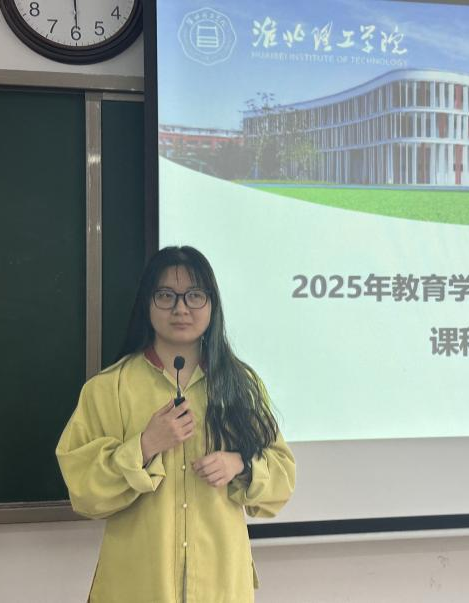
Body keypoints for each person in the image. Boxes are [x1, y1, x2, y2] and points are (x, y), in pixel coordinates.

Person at [56, 246, 295, 603]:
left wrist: (240, 465)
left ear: (212, 304)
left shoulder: (239, 385)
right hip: (136, 586)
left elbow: (282, 476)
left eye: (194, 295)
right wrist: (144, 446)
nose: (181, 308)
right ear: (147, 303)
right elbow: (83, 490)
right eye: (166, 295)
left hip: (219, 584)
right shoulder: (109, 388)